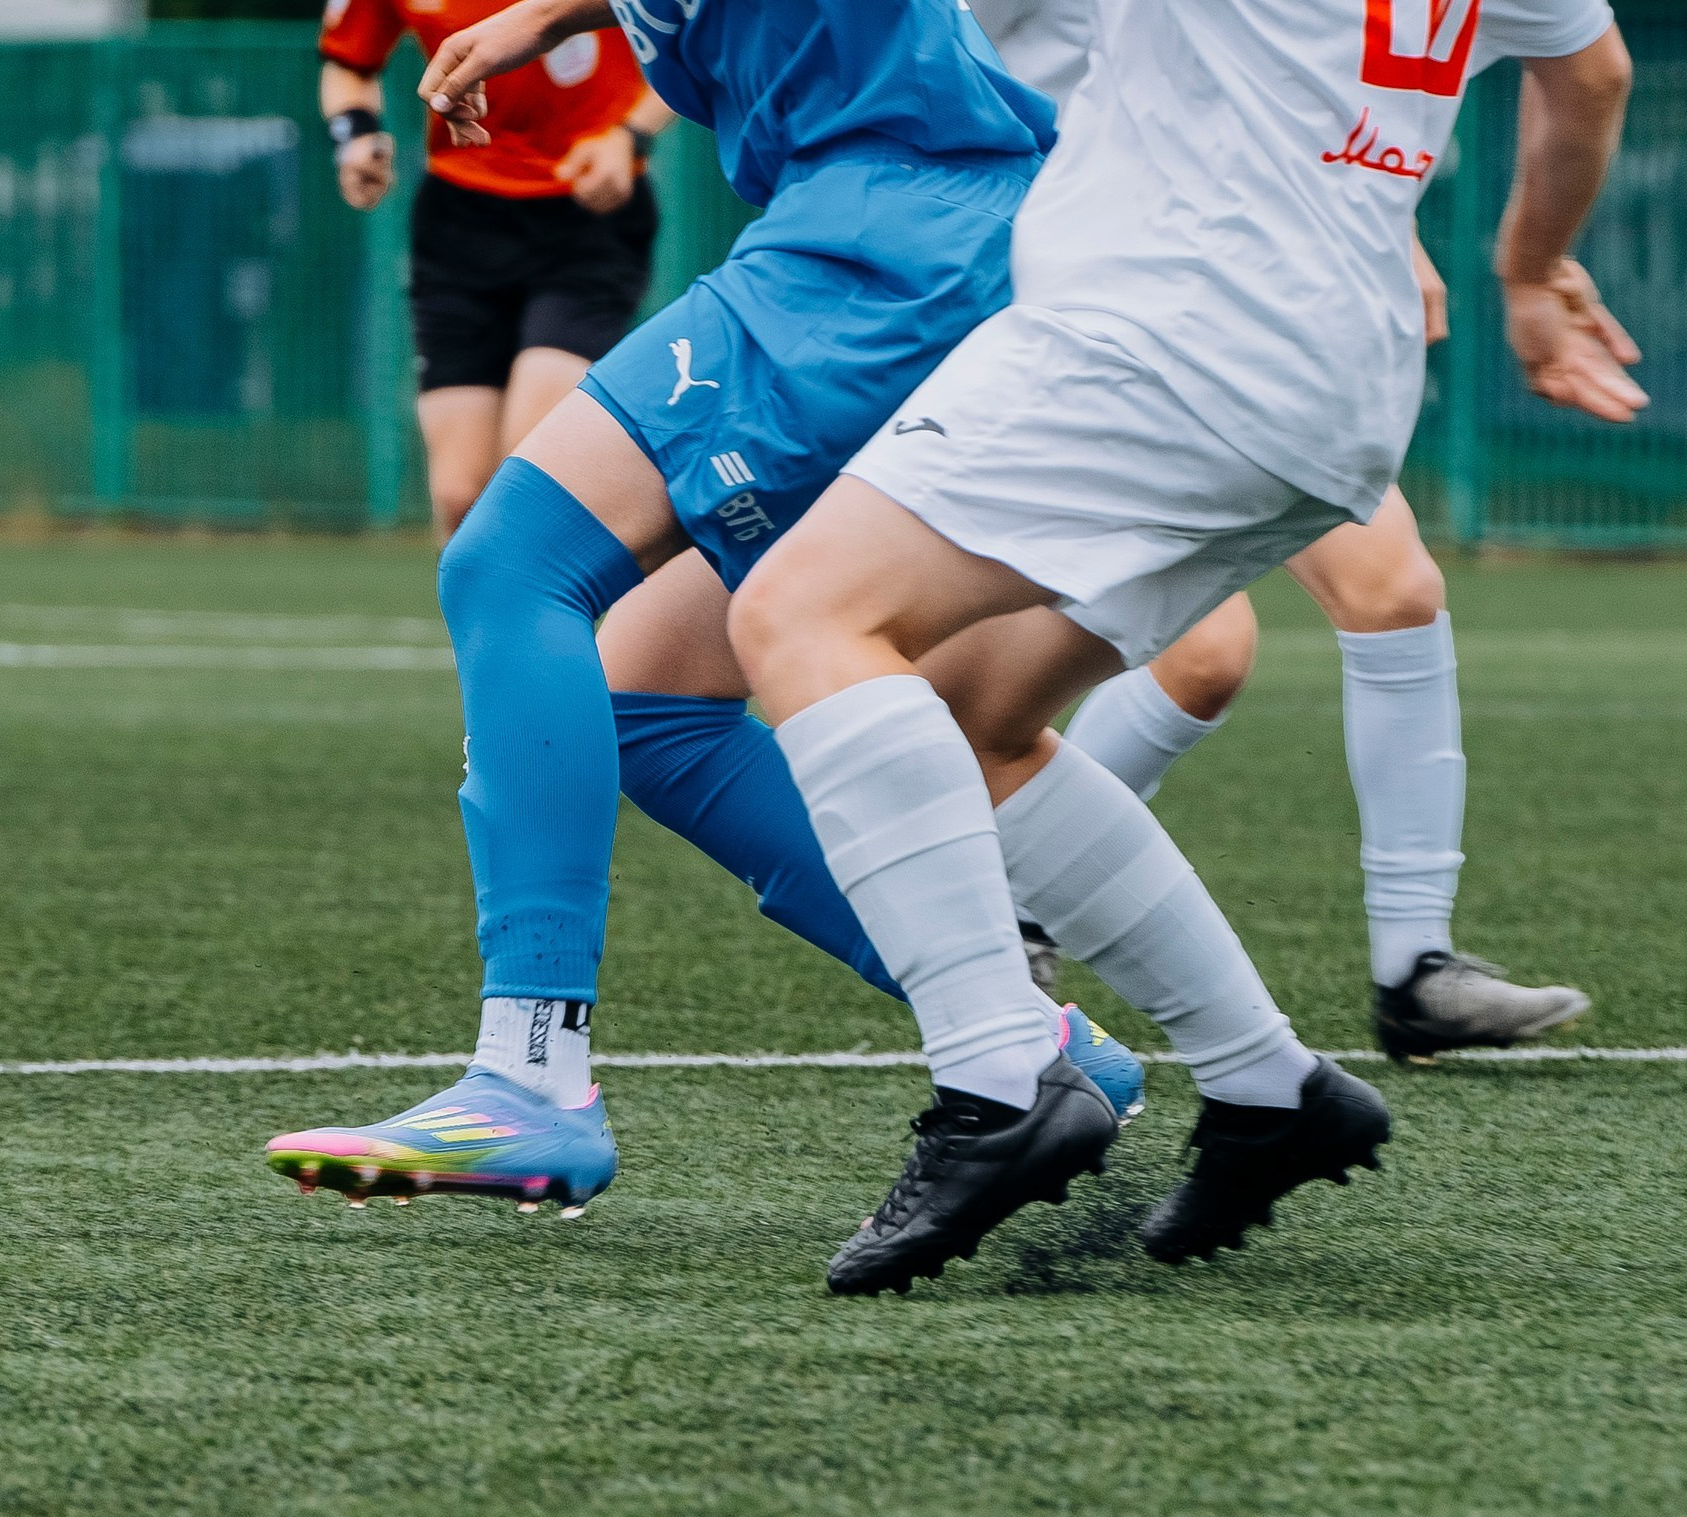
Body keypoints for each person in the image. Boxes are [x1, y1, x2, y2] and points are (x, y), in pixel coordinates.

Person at [720, 0, 1638, 1291]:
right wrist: (1531, 270)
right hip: (1339, 380)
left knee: (801, 615)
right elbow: (1592, 74)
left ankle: (997, 1080)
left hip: (1158, 339)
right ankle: (1271, 1089)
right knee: (978, 720)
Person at [264, 0, 1154, 1217]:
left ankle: (528, 1074)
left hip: (880, 238)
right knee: (652, 696)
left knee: (510, 566)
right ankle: (1031, 1034)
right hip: (919, 227)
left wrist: (544, 21)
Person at [318, 0, 673, 540]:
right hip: (459, 221)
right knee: (460, 497)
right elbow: (350, 63)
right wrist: (356, 137)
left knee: (531, 469)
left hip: (586, 214)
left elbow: (699, 29)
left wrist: (630, 136)